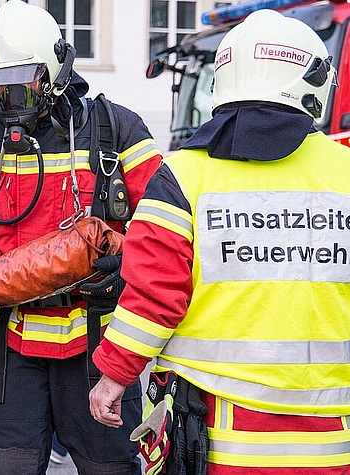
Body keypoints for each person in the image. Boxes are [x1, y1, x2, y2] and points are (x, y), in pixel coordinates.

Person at [89, 9, 350, 475]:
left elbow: (153, 298)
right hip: (334, 439)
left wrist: (113, 375)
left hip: (214, 440)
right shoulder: (345, 171)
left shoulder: (183, 178)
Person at [0, 1, 163, 473]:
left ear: (54, 70)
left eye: (20, 81)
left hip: (97, 346)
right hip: (9, 350)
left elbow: (164, 230)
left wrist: (123, 269)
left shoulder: (115, 132)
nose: (7, 97)